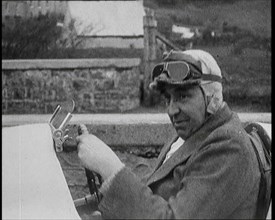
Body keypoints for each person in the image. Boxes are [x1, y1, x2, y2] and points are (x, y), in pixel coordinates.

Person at [76, 49, 263, 219]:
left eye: (183, 96)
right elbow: (155, 197)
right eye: (168, 98)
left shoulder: (228, 146)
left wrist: (111, 169)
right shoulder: (191, 134)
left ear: (211, 97)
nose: (172, 110)